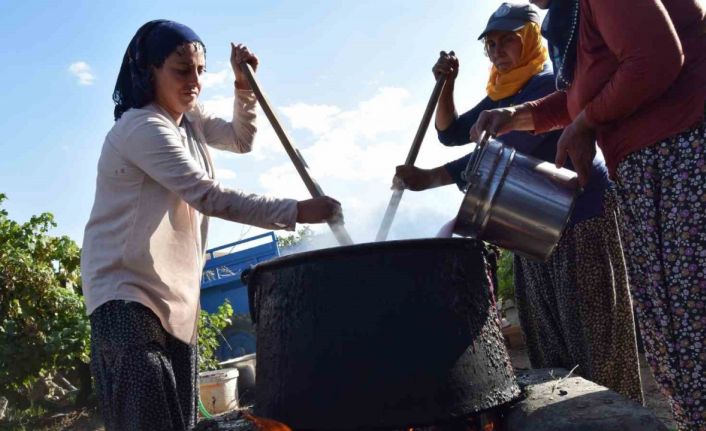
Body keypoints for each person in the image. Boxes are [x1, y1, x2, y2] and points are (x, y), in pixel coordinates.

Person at [80, 20, 342, 430]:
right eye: (182, 70)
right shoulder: (142, 127)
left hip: (174, 294)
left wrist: (243, 87)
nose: (194, 82)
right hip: (125, 292)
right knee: (147, 417)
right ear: (150, 71)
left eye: (201, 70)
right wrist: (298, 211)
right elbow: (208, 196)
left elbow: (241, 139)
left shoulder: (191, 119)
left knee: (178, 421)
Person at [472, 1, 706, 429]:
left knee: (692, 320)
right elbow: (581, 94)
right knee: (674, 334)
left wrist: (585, 124)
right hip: (648, 173)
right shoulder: (576, 15)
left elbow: (654, 59)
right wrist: (514, 117)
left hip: (682, 161)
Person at [394, 2, 643, 403]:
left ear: (528, 39)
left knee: (593, 334)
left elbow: (508, 144)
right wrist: (446, 85)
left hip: (579, 216)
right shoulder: (500, 93)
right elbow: (451, 133)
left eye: (506, 41)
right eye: (489, 45)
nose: (496, 51)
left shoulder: (549, 83)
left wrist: (432, 178)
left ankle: (614, 415)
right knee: (548, 336)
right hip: (529, 225)